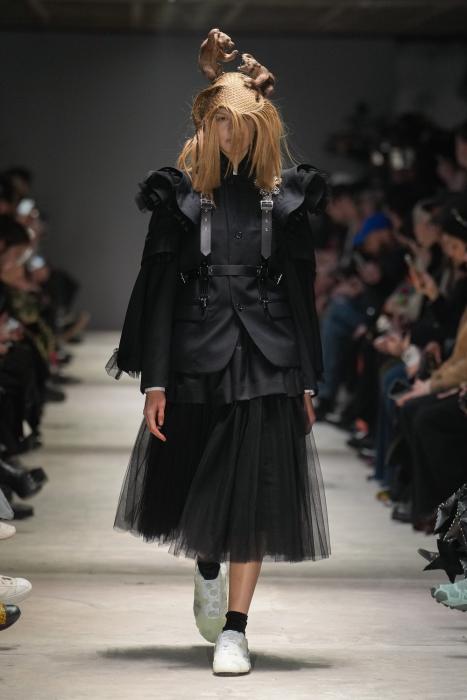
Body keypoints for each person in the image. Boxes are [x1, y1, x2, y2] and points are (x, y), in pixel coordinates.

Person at [106, 28, 331, 675]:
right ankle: (207, 566)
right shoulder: (179, 196)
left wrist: (307, 380)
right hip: (196, 353)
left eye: (237, 120)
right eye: (218, 120)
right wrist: (154, 381)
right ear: (205, 124)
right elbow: (158, 293)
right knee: (198, 483)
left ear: (257, 126)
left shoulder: (285, 197)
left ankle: (236, 629)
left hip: (268, 357)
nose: (227, 132)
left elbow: (300, 292)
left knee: (254, 494)